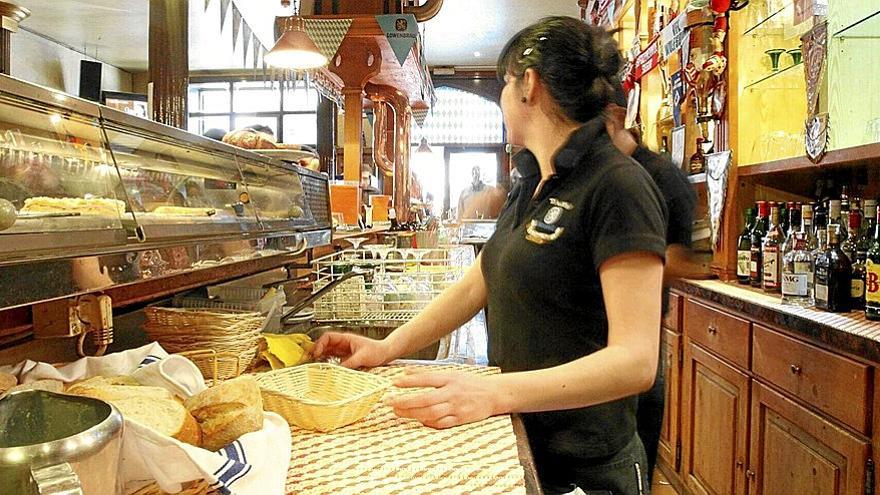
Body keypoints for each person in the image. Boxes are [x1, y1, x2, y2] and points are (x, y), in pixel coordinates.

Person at [314, 17, 667, 495]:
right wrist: (386, 347)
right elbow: (481, 278)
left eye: (503, 85)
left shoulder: (617, 185)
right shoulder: (534, 181)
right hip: (526, 439)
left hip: (589, 465)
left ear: (529, 84)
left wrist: (492, 391)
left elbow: (635, 361)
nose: (502, 100)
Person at [604, 85, 709, 480]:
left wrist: (609, 260)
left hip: (640, 336)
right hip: (600, 338)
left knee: (633, 458)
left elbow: (690, 260)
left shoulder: (663, 177)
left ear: (614, 117)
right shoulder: (599, 174)